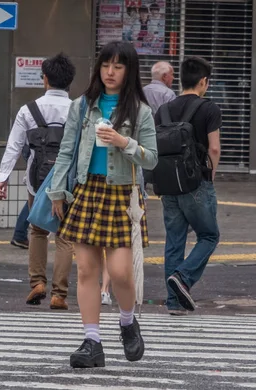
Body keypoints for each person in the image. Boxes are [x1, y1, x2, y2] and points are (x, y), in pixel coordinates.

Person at [48, 41, 158, 368]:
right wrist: (57, 191)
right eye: (105, 65)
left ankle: (126, 322)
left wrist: (124, 142)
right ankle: (92, 341)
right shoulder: (82, 106)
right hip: (86, 191)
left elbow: (151, 159)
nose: (110, 72)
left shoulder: (141, 111)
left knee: (122, 273)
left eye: (118, 66)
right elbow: (66, 151)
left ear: (129, 71)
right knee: (86, 270)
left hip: (122, 193)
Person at [0, 53, 76, 310]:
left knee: (38, 231)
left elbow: (14, 145)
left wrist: (2, 178)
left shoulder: (28, 110)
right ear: (69, 82)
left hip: (36, 180)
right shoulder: (78, 110)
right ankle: (59, 294)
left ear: (45, 79)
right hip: (68, 182)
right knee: (65, 236)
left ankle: (37, 283)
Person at [154, 57, 221, 316]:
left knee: (174, 241)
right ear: (203, 81)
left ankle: (174, 302)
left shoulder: (164, 110)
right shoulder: (209, 108)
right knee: (209, 235)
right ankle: (183, 277)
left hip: (169, 185)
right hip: (197, 183)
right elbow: (214, 147)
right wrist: (211, 173)